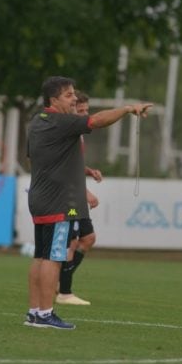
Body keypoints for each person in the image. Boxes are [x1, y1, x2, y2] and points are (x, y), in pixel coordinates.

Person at [25, 76, 152, 330]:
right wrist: (128, 109)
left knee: (41, 256)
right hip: (61, 202)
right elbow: (98, 121)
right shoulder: (62, 122)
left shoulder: (38, 122)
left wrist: (82, 174)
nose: (75, 99)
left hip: (41, 198)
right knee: (55, 256)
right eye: (69, 95)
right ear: (54, 100)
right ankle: (46, 313)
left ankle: (35, 311)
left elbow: (47, 160)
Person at [57, 91, 101, 306]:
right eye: (80, 110)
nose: (85, 114)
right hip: (68, 198)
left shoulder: (79, 133)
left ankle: (58, 282)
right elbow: (64, 168)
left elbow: (72, 165)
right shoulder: (68, 132)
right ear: (71, 108)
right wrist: (86, 192)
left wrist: (88, 171)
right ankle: (64, 292)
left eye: (87, 110)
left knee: (88, 238)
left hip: (75, 197)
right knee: (71, 241)